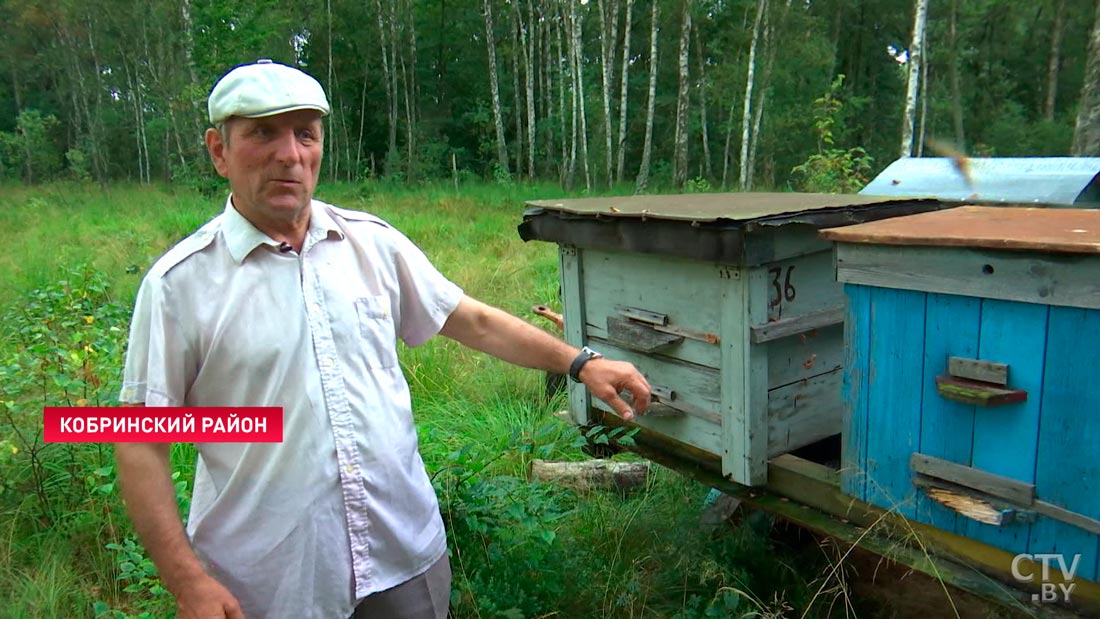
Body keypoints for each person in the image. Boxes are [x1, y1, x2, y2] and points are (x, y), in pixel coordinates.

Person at [114, 59, 651, 619]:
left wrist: (582, 362)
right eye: (261, 133)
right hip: (269, 582)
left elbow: (471, 320)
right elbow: (138, 441)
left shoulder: (371, 245)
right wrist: (188, 584)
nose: (289, 155)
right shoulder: (180, 285)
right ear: (218, 151)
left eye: (305, 134)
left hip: (403, 557)